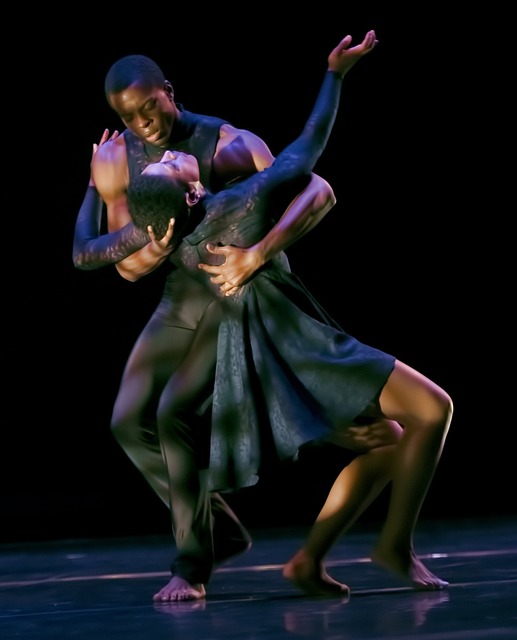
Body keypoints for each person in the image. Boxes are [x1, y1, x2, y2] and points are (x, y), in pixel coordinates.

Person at [126, 29, 453, 601]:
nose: (171, 153)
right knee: (434, 408)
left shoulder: (184, 243)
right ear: (190, 194)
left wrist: (94, 195)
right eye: (172, 165)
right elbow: (308, 150)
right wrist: (334, 76)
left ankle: (311, 560)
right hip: (299, 347)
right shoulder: (235, 204)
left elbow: (89, 252)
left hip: (273, 354)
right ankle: (393, 545)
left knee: (389, 440)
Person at [72, 39, 339, 599]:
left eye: (150, 108)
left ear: (168, 92)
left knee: (175, 414)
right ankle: (217, 527)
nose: (144, 124)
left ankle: (192, 561)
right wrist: (150, 240)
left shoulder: (228, 143)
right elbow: (126, 268)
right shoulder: (117, 159)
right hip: (181, 296)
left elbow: (311, 187)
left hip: (231, 288)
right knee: (127, 420)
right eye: (129, 117)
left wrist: (258, 253)